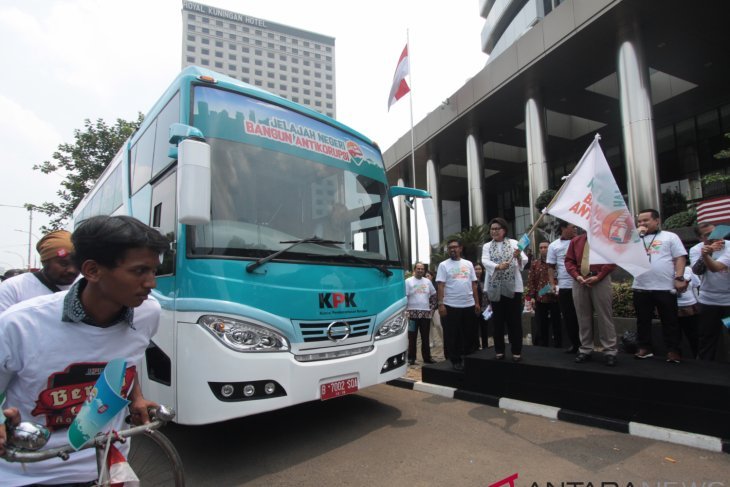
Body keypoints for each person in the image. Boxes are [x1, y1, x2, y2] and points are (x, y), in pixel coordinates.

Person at [0, 215, 170, 486]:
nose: (151, 283)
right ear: (92, 270)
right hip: (30, 473)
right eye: (139, 271)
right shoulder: (20, 324)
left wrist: (136, 398)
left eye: (153, 271)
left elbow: (128, 360)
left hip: (107, 466)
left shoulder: (147, 313)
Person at [632, 209, 688, 363]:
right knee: (643, 320)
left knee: (670, 320)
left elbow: (680, 257)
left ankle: (673, 350)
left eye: (646, 220)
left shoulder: (670, 237)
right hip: (641, 286)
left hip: (664, 286)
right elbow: (620, 252)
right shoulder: (634, 239)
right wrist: (634, 237)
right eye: (639, 221)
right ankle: (644, 347)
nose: (642, 224)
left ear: (657, 221)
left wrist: (679, 277)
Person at [564, 233, 618, 366]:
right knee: (582, 316)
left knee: (605, 316)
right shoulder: (576, 240)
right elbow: (569, 261)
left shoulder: (606, 239)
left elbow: (612, 260)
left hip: (600, 280)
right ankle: (586, 348)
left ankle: (610, 351)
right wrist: (576, 276)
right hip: (580, 281)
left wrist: (599, 276)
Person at [482, 218, 528, 361]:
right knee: (498, 321)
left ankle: (516, 350)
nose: (494, 231)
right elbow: (484, 261)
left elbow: (524, 260)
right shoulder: (487, 246)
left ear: (504, 230)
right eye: (492, 229)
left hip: (514, 287)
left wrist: (518, 255)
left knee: (514, 320)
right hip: (495, 287)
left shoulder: (514, 243)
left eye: (497, 228)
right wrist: (497, 266)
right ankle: (499, 350)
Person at [0, 230, 79, 313]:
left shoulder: (86, 286)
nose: (72, 270)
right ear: (44, 261)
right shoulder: (14, 287)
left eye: (78, 263)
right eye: (63, 263)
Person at [436, 239, 480, 370]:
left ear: (461, 248)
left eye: (455, 247)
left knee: (468, 334)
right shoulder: (443, 265)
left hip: (468, 305)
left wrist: (477, 303)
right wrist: (441, 304)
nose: (452, 250)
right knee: (452, 335)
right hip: (451, 305)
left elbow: (473, 284)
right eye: (450, 248)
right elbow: (440, 285)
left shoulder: (469, 264)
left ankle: (467, 358)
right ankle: (455, 360)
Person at [547, 220, 580, 353]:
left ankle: (585, 345)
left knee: (582, 317)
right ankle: (575, 344)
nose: (575, 229)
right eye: (573, 227)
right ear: (563, 228)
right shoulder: (554, 246)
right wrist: (552, 283)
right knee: (568, 316)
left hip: (581, 284)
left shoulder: (581, 242)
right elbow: (550, 266)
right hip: (565, 286)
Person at [695, 236, 730, 361]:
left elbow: (715, 267)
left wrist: (706, 256)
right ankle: (705, 367)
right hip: (708, 302)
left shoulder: (729, 247)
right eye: (707, 236)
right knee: (707, 336)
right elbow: (697, 270)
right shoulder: (696, 249)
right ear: (701, 238)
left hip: (728, 302)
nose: (713, 238)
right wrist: (705, 254)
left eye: (715, 234)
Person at [527, 241, 561, 347]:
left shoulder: (558, 262)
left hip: (556, 298)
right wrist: (531, 297)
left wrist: (556, 287)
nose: (543, 249)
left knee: (557, 324)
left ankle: (558, 346)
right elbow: (531, 281)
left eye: (545, 247)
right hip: (540, 299)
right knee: (541, 325)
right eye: (541, 247)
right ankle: (543, 347)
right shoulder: (535, 264)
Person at [405, 262, 437, 365]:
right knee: (412, 337)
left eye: (422, 269)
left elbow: (434, 296)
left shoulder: (427, 281)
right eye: (418, 268)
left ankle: (427, 358)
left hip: (425, 315)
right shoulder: (408, 281)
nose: (420, 270)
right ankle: (411, 358)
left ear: (424, 270)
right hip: (412, 315)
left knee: (425, 337)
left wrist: (431, 309)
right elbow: (404, 297)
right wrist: (405, 311)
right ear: (414, 269)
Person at [676, 264, 700, 359]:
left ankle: (698, 357)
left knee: (694, 335)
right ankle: (676, 356)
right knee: (675, 336)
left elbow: (696, 285)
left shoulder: (688, 270)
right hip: (672, 308)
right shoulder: (665, 270)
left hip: (690, 306)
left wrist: (698, 303)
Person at [425, 269, 444, 356]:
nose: (427, 277)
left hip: (435, 308)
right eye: (426, 276)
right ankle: (431, 341)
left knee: (438, 325)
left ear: (432, 277)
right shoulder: (423, 284)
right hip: (426, 309)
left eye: (428, 276)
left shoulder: (436, 285)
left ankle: (444, 340)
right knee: (428, 327)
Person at [474, 262, 490, 350]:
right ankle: (476, 346)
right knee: (475, 329)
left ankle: (485, 347)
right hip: (475, 309)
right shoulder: (471, 282)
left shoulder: (486, 281)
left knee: (485, 329)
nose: (478, 271)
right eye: (476, 269)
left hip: (486, 308)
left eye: (479, 269)